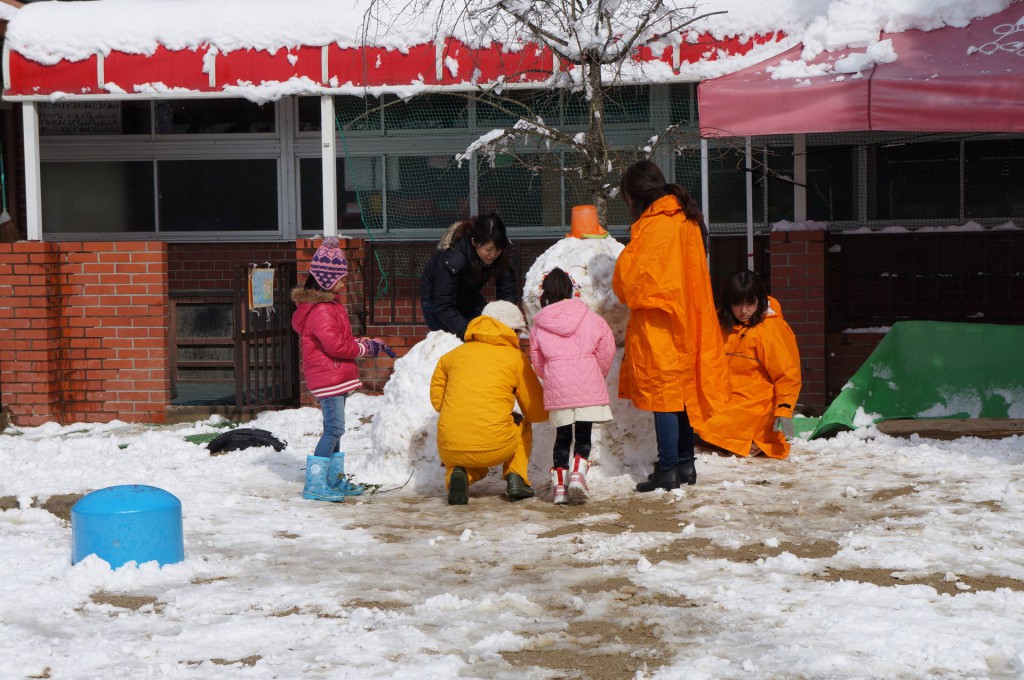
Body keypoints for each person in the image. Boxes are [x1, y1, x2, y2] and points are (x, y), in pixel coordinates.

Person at [612, 159, 731, 492]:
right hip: (689, 315)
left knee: (664, 393)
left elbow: (633, 283)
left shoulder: (656, 225)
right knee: (679, 392)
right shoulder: (685, 218)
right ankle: (685, 464)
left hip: (662, 320)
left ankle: (666, 469)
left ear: (635, 194)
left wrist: (622, 259)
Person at [291, 237, 394, 502]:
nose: (344, 283)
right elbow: (337, 346)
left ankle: (332, 479)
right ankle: (315, 484)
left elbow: (341, 340)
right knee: (334, 429)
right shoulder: (322, 310)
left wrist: (365, 342)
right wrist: (365, 349)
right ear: (326, 280)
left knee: (334, 429)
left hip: (334, 377)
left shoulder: (330, 306)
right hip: (328, 378)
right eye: (341, 279)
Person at [430, 300, 548, 505]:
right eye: (518, 332)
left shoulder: (450, 357)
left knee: (468, 455)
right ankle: (516, 478)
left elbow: (437, 400)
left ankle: (459, 475)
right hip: (494, 445)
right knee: (522, 423)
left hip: (450, 447)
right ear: (510, 330)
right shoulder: (515, 358)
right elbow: (536, 412)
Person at [529, 268, 615, 505]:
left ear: (545, 293)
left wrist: (553, 377)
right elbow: (606, 349)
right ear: (571, 289)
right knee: (584, 433)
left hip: (558, 383)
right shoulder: (590, 317)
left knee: (562, 435)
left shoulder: (539, 325)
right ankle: (578, 474)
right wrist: (596, 373)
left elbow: (537, 361)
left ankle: (559, 487)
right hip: (587, 380)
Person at [695, 270, 802, 459]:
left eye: (750, 304)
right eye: (737, 304)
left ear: (759, 301)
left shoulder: (771, 328)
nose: (744, 311)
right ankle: (741, 441)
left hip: (757, 404)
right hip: (725, 397)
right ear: (728, 304)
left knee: (716, 425)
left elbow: (787, 374)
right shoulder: (719, 324)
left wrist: (784, 409)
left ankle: (750, 441)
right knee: (695, 418)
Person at [419, 212, 518, 340]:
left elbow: (507, 292)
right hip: (436, 299)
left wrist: (506, 324)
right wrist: (468, 333)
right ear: (474, 242)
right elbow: (444, 305)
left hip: (469, 295)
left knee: (489, 327)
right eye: (488, 249)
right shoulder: (454, 255)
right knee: (453, 344)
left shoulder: (504, 252)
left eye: (497, 250)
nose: (493, 255)